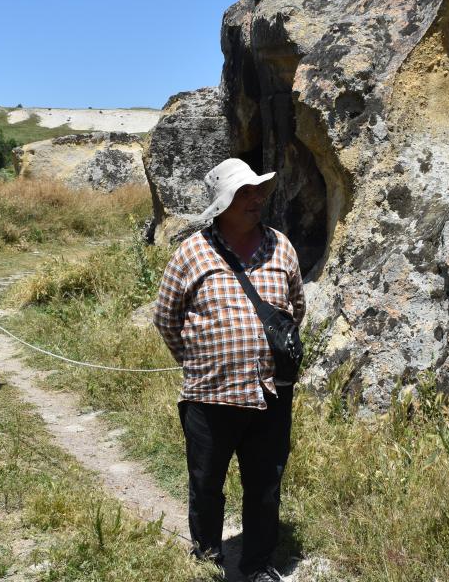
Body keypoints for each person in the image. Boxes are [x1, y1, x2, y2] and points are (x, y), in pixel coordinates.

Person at [153, 158, 304, 582]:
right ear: (222, 204)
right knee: (206, 484)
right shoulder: (191, 252)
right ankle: (207, 561)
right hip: (209, 394)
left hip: (270, 391)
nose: (256, 199)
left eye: (258, 191)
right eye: (244, 193)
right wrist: (200, 359)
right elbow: (166, 317)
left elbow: (295, 310)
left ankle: (256, 565)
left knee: (265, 485)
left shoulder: (281, 247)